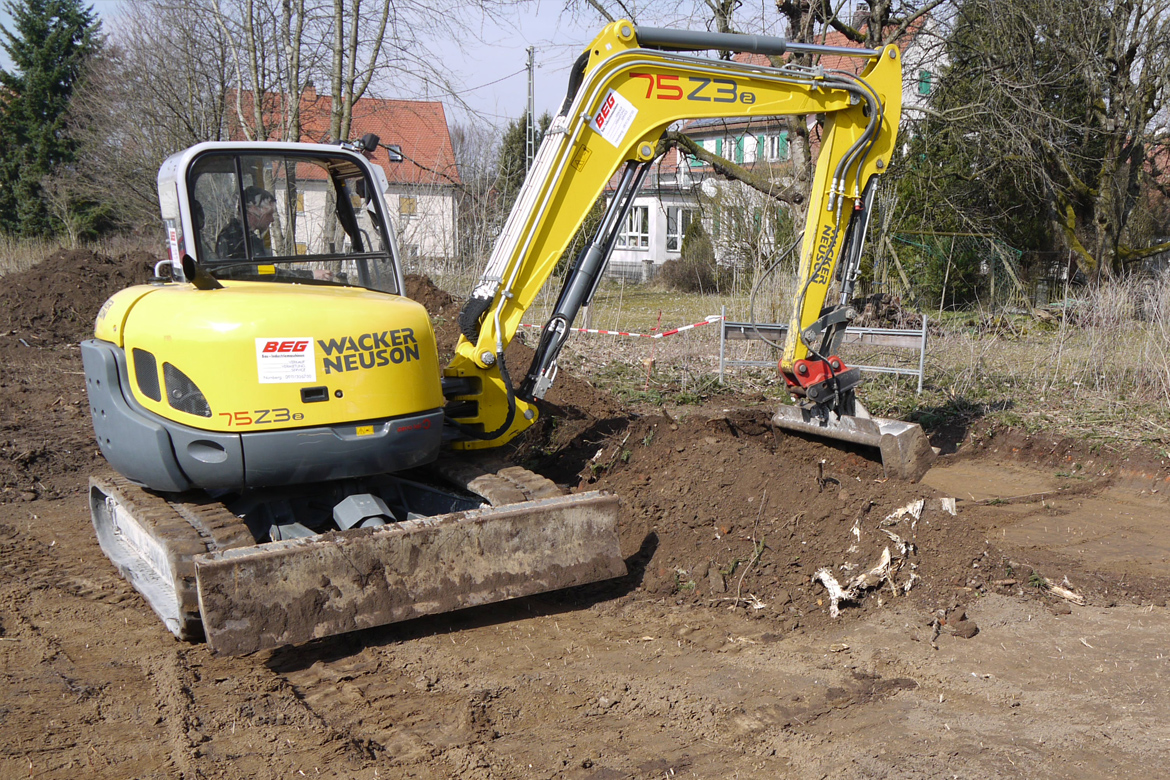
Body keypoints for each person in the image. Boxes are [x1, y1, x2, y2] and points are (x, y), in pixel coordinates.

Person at [215, 186, 276, 260]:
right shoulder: (236, 240)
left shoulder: (244, 236)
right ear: (253, 210)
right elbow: (246, 270)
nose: (272, 219)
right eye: (269, 214)